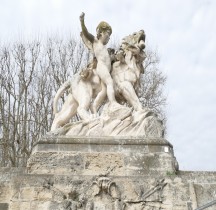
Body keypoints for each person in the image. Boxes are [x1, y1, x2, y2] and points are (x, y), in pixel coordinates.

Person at [79, 12, 117, 105]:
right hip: (101, 66)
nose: (109, 37)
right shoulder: (95, 41)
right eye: (108, 33)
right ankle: (113, 103)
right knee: (110, 83)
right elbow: (86, 33)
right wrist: (82, 21)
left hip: (106, 69)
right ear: (100, 32)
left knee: (104, 91)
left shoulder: (105, 49)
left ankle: (94, 107)